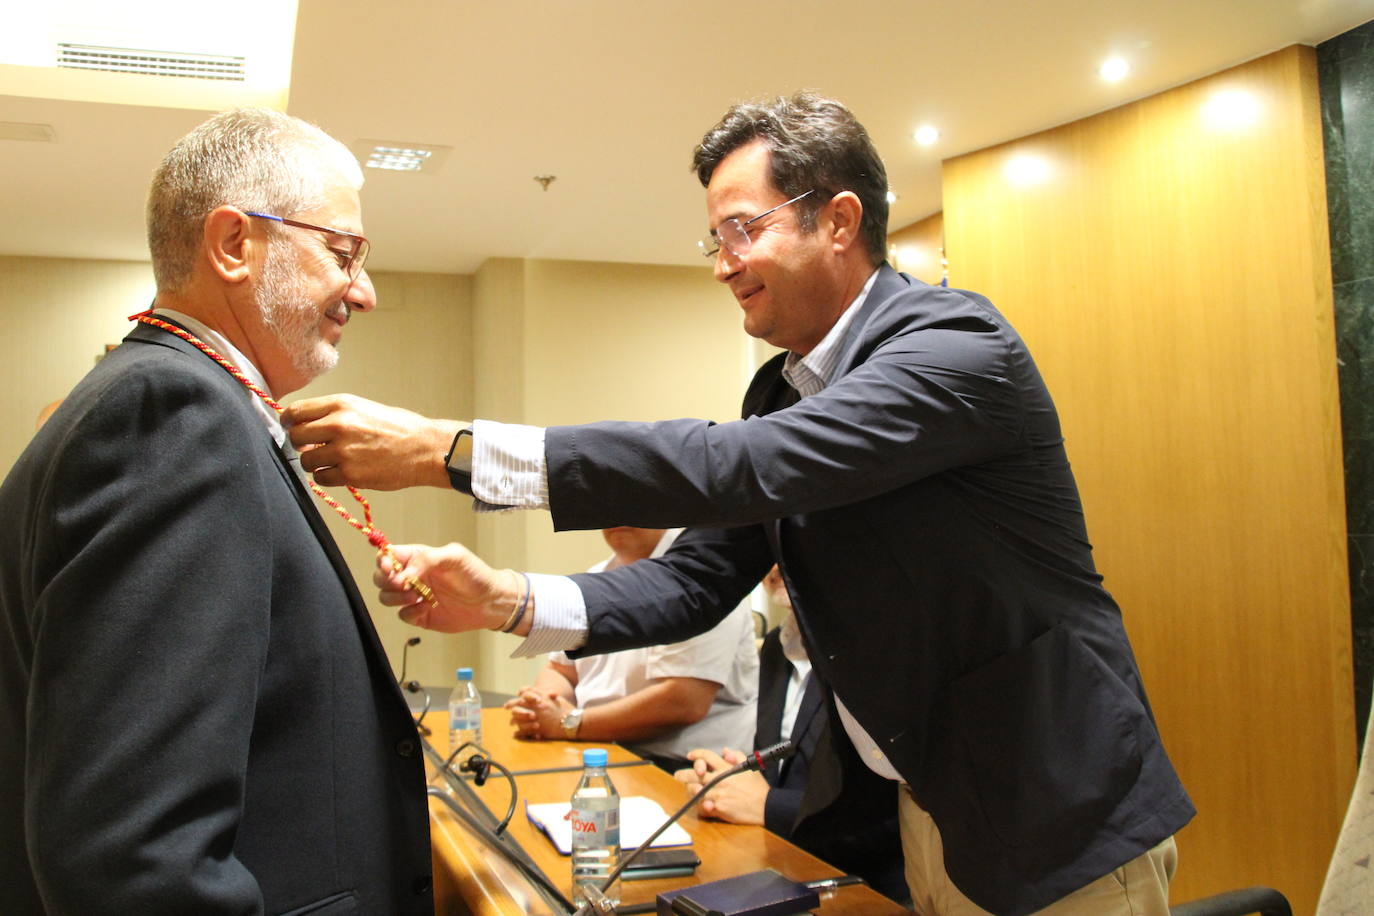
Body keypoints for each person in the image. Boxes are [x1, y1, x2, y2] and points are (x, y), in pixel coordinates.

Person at [284, 92, 1195, 915]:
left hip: (1054, 803)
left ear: (840, 221)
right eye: (714, 239)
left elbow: (739, 466)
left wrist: (456, 455)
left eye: (742, 230)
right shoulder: (783, 389)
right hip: (923, 805)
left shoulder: (953, 345)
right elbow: (692, 580)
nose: (724, 264)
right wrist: (506, 600)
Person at [0, 108, 433, 914]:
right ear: (235, 245)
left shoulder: (182, 407)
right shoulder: (171, 415)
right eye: (342, 253)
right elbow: (133, 858)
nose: (363, 291)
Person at [675, 566, 907, 903]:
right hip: (784, 868)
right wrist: (736, 780)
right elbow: (789, 771)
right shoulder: (776, 645)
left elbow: (893, 817)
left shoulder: (878, 651)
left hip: (867, 890)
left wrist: (767, 805)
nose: (771, 566)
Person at [504, 526, 758, 772]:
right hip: (598, 750)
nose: (613, 514)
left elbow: (684, 701)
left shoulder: (703, 575)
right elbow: (561, 670)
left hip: (684, 766)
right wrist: (542, 705)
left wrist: (569, 723)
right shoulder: (598, 574)